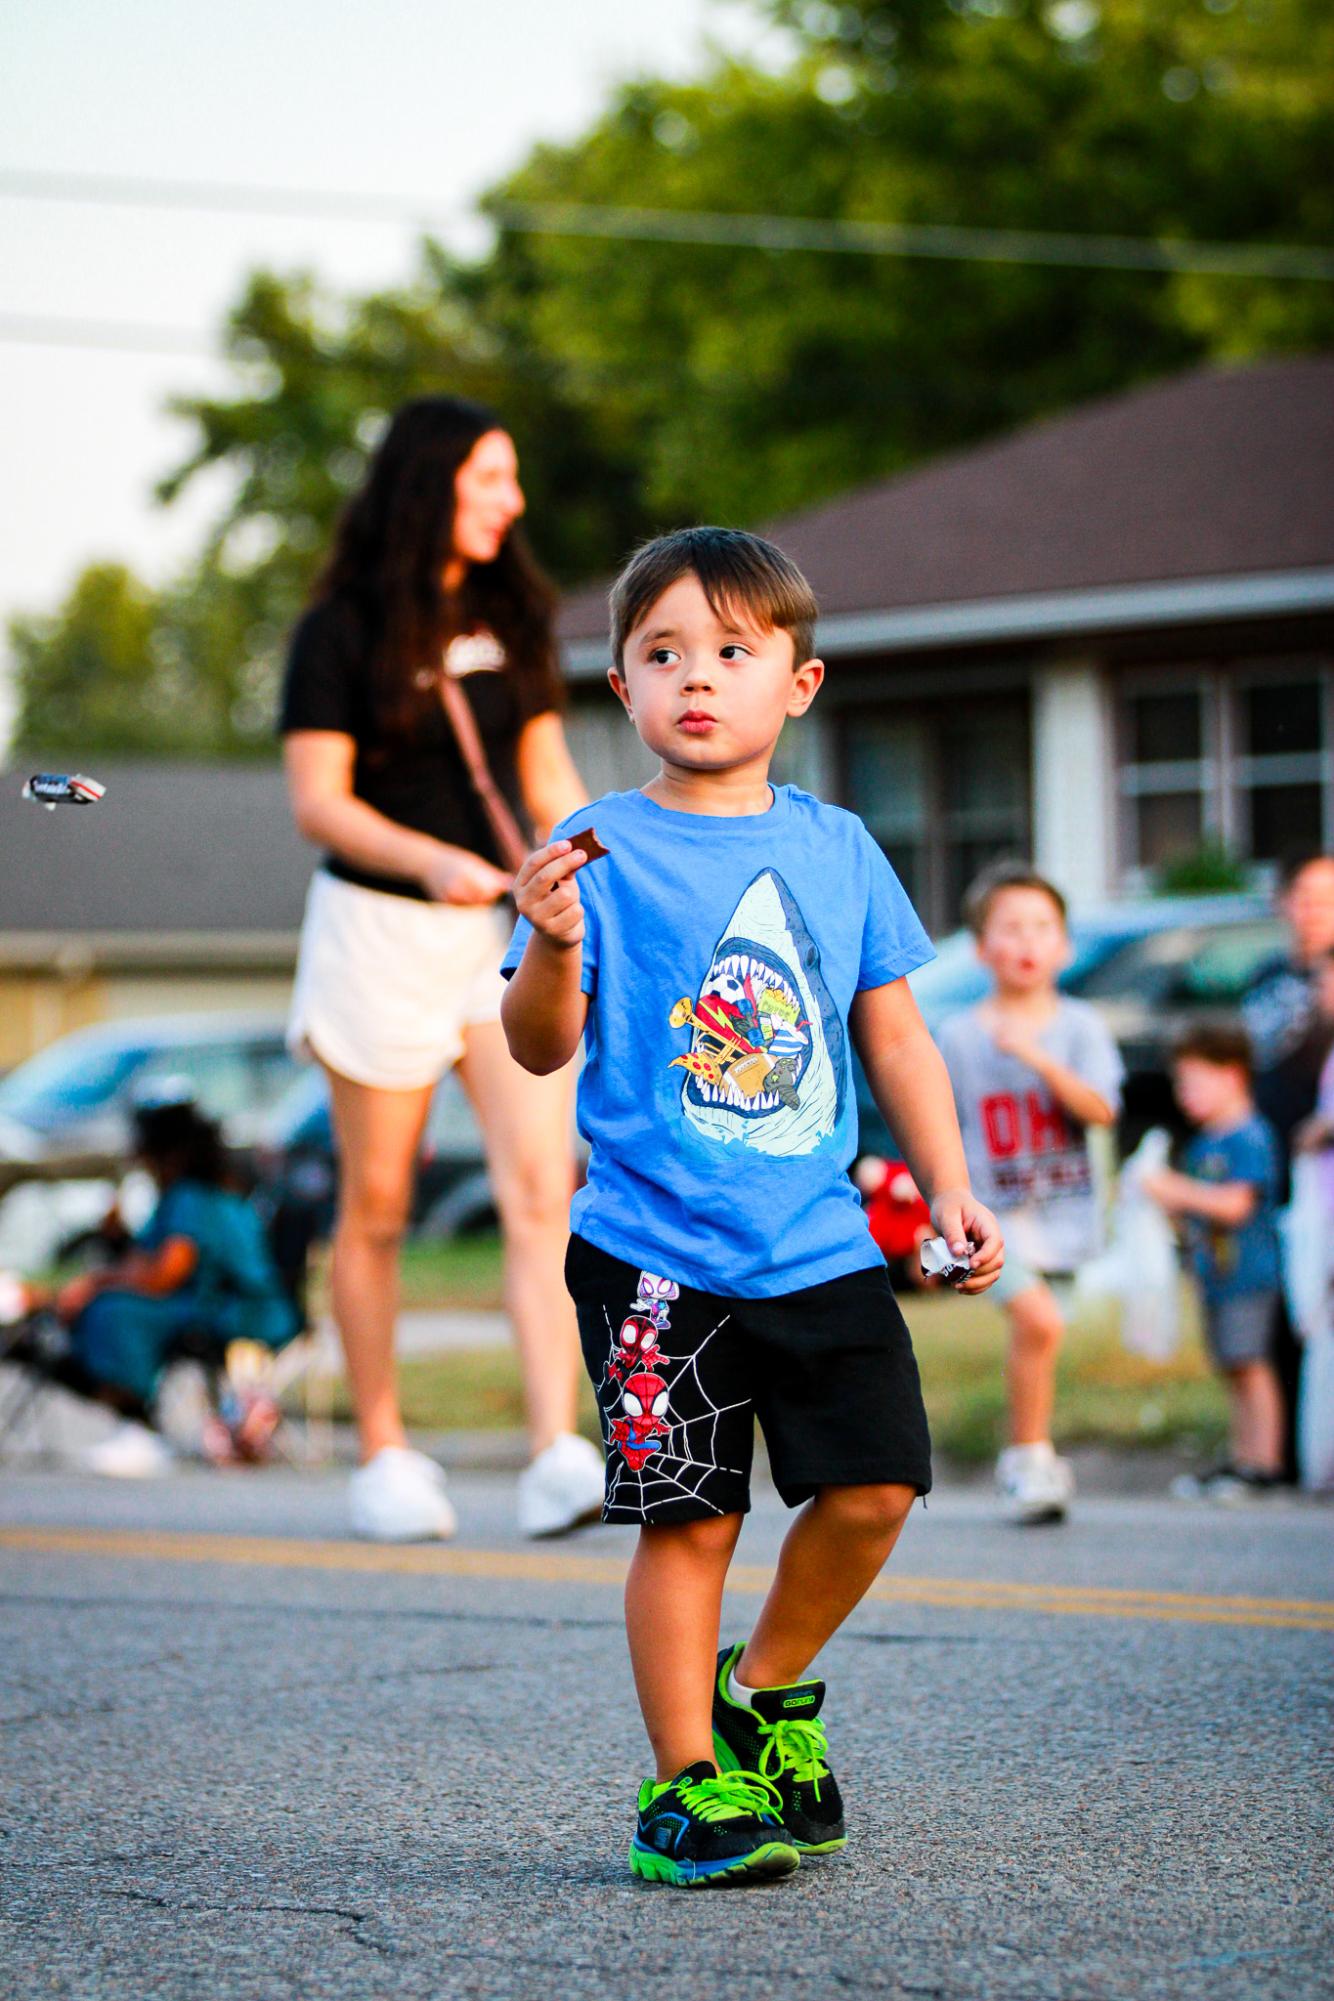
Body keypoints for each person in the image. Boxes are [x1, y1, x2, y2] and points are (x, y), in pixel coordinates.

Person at [500, 527, 1003, 1888]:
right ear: (620, 687)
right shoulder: (592, 847)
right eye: (662, 654)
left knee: (877, 1486)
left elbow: (893, 1038)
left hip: (819, 1245)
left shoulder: (839, 851)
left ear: (801, 682)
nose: (696, 679)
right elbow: (539, 1045)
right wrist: (547, 947)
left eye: (731, 651)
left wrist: (948, 1182)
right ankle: (682, 1784)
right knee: (692, 1519)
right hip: (652, 1260)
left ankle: (762, 1684)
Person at [280, 395, 604, 1543]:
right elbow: (320, 799)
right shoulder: (340, 629)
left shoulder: (515, 614)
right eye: (489, 478)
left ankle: (557, 1448)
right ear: (430, 484)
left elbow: (547, 769)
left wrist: (591, 860)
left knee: (540, 1190)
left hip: (500, 933)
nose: (510, 501)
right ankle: (382, 1453)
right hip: (378, 931)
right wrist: (435, 863)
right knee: (374, 1207)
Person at [936, 864, 1122, 1525]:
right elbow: (939, 1125)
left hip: (1066, 1218)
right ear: (980, 946)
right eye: (1010, 926)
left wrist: (1038, 1056)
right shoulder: (958, 1033)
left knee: (1042, 1336)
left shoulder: (1081, 1025)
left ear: (1065, 946)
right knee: (1037, 1321)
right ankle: (1027, 1458)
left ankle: (1032, 1454)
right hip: (995, 1217)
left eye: (1043, 927)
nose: (1028, 940)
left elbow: (1101, 1109)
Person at [20, 1098, 300, 1477]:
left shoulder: (193, 1197)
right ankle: (131, 1419)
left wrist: (95, 1284)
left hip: (245, 1311)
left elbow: (165, 1273)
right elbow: (149, 1262)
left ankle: (139, 1422)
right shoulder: (184, 1197)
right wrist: (117, 1242)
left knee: (116, 1313)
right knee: (113, 1307)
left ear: (165, 1153)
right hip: (212, 1303)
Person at [1141, 1025, 1284, 1500]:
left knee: (1250, 1365)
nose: (1185, 1095)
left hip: (1249, 1275)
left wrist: (1175, 1190)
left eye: (1195, 1082)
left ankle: (1264, 1464)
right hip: (1215, 1277)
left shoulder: (1249, 1137)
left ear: (1233, 1077)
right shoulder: (1203, 1145)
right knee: (1230, 1365)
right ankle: (1242, 1458)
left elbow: (1235, 1206)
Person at [1243, 850, 1334, 1478]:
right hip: (1270, 1157)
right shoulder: (1266, 974)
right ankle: (1285, 1451)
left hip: (1322, 1168)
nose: (1312, 911)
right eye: (1303, 895)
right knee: (1273, 1300)